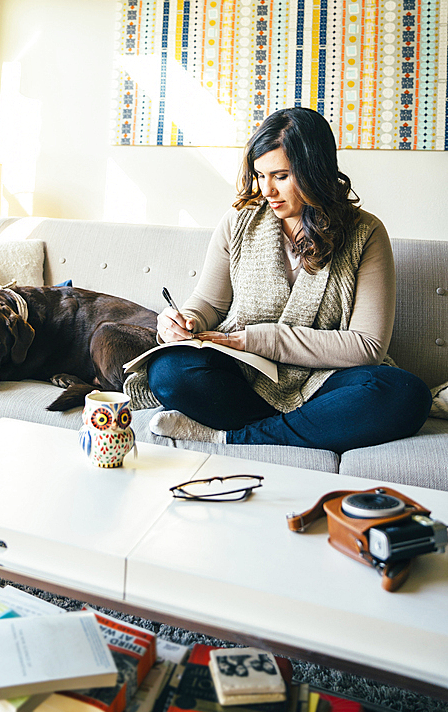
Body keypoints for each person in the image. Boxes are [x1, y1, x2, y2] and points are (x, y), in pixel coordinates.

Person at [148, 107, 432, 454]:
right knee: (169, 370)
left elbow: (367, 346)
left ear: (314, 171)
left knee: (405, 394)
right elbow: (209, 303)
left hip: (326, 381)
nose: (266, 190)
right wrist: (185, 320)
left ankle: (236, 436)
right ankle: (311, 426)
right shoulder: (238, 222)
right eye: (259, 175)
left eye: (280, 176)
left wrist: (261, 339)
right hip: (245, 376)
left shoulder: (365, 234)